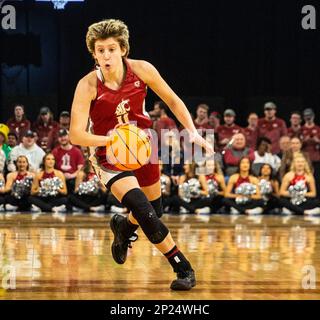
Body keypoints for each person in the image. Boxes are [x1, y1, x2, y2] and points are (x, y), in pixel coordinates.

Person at [69, 19, 213, 290]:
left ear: (122, 49)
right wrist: (112, 139)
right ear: (94, 54)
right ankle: (183, 267)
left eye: (111, 49)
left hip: (143, 145)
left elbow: (172, 100)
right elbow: (76, 135)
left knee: (155, 210)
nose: (106, 55)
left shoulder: (142, 69)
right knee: (145, 210)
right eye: (100, 50)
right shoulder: (88, 85)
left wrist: (192, 131)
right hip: (107, 153)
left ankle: (123, 228)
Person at [52, 129, 85, 193]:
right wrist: (60, 176)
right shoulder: (55, 152)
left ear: (69, 136)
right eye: (60, 137)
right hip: (59, 179)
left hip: (73, 178)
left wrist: (72, 175)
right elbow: (51, 167)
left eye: (64, 136)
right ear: (58, 139)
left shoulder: (77, 151)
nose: (63, 138)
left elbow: (80, 169)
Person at [301, 108, 320, 195]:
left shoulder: (318, 129)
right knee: (305, 179)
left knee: (316, 179)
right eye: (306, 117)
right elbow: (297, 144)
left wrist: (317, 141)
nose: (308, 118)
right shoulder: (301, 129)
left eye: (310, 116)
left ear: (313, 117)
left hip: (316, 158)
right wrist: (305, 141)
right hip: (305, 159)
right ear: (304, 118)